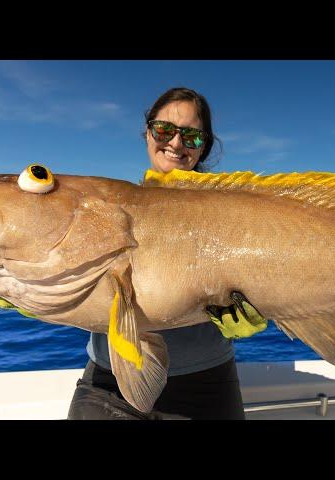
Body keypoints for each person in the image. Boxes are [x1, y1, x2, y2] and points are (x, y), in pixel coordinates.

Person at [66, 87, 268, 420]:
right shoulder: (107, 207)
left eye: (191, 136)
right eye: (164, 130)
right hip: (109, 383)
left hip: (208, 383)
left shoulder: (232, 212)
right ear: (147, 133)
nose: (176, 143)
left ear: (203, 146)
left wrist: (258, 307)